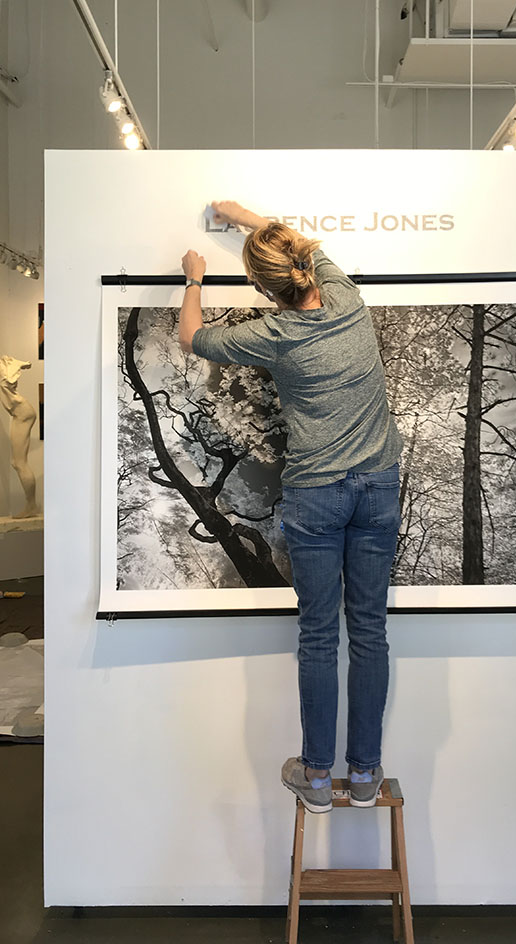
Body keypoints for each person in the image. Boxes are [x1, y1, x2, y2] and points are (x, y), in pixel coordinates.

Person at [178, 201, 402, 813]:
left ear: (260, 286)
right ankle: (364, 777)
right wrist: (247, 217)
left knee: (319, 635)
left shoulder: (272, 335)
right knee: (371, 632)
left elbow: (192, 336)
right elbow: (305, 243)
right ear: (306, 266)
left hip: (317, 496)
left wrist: (195, 277)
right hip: (378, 488)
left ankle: (317, 776)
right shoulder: (347, 298)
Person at [0, 355, 39, 519]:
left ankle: (31, 506)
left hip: (22, 413)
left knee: (19, 462)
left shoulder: (3, 365)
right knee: (16, 462)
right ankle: (31, 505)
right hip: (20, 413)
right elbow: (24, 364)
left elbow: (22, 366)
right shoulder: (4, 363)